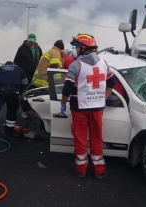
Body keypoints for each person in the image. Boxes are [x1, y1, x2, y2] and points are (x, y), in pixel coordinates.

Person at [60, 34, 115, 179]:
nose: (75, 50)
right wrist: (103, 98)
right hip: (97, 108)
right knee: (97, 137)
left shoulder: (75, 65)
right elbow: (111, 84)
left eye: (76, 47)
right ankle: (100, 170)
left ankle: (81, 169)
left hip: (79, 107)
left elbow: (66, 89)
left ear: (83, 48)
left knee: (80, 138)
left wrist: (62, 103)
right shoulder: (103, 63)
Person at [14, 33, 42, 118]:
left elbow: (41, 60)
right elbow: (16, 61)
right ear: (27, 40)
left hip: (34, 75)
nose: (30, 43)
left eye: (32, 41)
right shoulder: (22, 49)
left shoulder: (38, 49)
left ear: (35, 41)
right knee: (24, 93)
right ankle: (25, 111)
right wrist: (18, 74)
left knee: (33, 93)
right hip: (24, 75)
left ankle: (32, 110)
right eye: (29, 41)